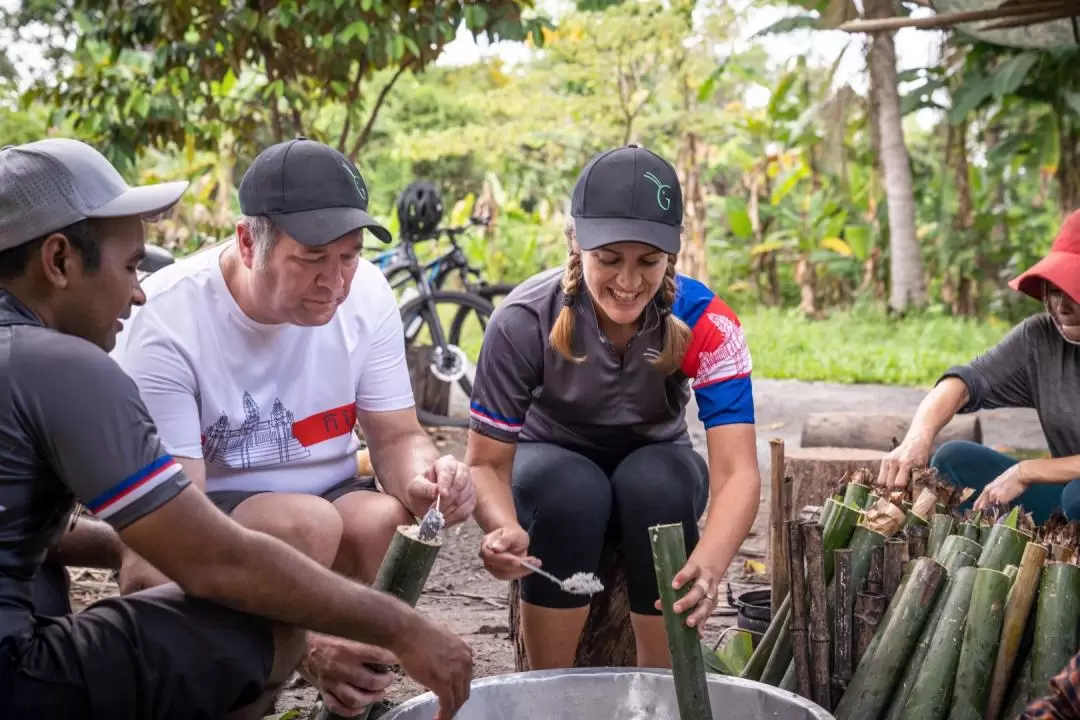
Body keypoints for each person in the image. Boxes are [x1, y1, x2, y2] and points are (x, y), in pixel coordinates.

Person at [0, 138, 472, 720]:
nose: (140, 289)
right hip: (19, 670)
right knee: (260, 623)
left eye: (348, 258)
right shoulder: (72, 366)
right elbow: (203, 560)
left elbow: (37, 527)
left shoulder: (23, 358)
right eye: (129, 266)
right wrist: (391, 630)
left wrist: (117, 540)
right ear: (59, 261)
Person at [466, 144, 761, 670]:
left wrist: (711, 564)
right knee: (573, 491)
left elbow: (737, 473)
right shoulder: (522, 320)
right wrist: (502, 525)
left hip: (657, 458)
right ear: (576, 242)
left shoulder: (709, 323)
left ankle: (659, 691)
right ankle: (550, 696)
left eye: (648, 261)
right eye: (609, 260)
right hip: (550, 460)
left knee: (656, 486)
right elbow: (486, 464)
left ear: (672, 253)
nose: (628, 283)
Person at [877, 209, 1080, 524]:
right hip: (1066, 499)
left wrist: (1026, 471)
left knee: (1076, 497)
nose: (1061, 304)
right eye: (1055, 289)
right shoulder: (1039, 338)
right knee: (954, 459)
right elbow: (964, 382)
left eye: (1074, 289)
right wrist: (919, 435)